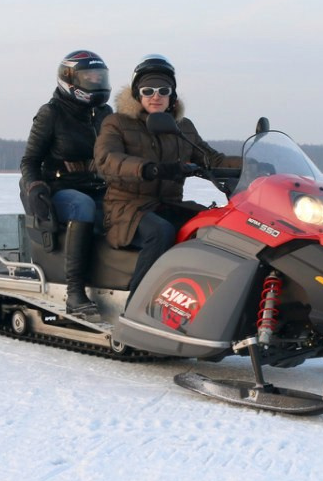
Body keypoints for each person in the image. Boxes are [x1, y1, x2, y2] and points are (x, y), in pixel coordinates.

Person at [95, 54, 241, 293]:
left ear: (172, 96)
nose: (156, 96)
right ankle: (136, 304)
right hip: (127, 209)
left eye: (163, 90)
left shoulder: (182, 127)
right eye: (148, 90)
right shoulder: (117, 123)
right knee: (160, 232)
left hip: (167, 205)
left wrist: (254, 163)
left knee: (212, 226)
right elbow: (107, 161)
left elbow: (211, 159)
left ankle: (198, 297)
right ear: (137, 94)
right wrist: (149, 169)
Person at [20, 50, 112, 318]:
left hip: (97, 185)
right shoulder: (52, 113)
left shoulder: (105, 113)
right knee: (82, 206)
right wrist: (35, 186)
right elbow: (29, 160)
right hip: (59, 189)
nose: (95, 81)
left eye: (99, 76)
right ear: (70, 80)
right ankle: (75, 292)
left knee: (127, 209)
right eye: (89, 76)